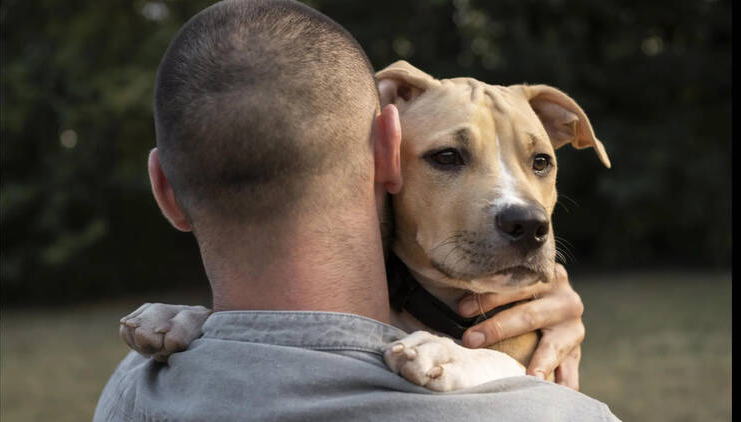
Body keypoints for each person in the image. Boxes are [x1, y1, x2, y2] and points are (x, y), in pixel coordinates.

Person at [94, 0, 619, 420]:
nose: (522, 205)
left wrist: (486, 360)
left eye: (541, 162)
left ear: (166, 189)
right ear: (386, 148)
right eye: (448, 157)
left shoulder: (130, 394)